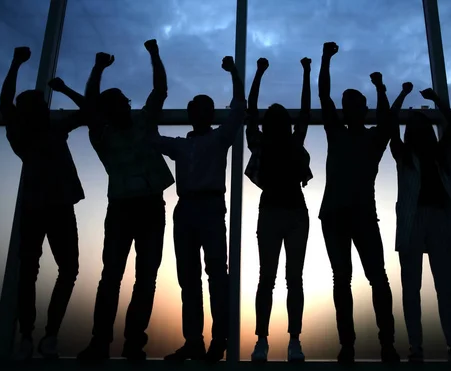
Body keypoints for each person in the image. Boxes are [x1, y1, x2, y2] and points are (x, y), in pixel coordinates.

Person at [77, 39, 174, 361]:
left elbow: (160, 90)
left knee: (144, 277)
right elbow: (90, 105)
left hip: (148, 205)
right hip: (122, 208)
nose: (123, 106)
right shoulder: (102, 134)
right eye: (116, 103)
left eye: (122, 101)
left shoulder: (143, 122)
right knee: (113, 276)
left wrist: (155, 56)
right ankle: (101, 342)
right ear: (107, 111)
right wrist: (97, 70)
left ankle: (132, 342)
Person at [154, 56, 246, 363]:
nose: (199, 114)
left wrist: (234, 72)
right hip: (189, 209)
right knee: (189, 276)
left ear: (208, 114)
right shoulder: (182, 145)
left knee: (216, 273)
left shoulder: (218, 138)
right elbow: (150, 139)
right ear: (193, 114)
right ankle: (195, 340)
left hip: (207, 208)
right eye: (196, 109)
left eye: (204, 109)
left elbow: (238, 108)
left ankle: (218, 338)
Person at [0, 47, 85, 360]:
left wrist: (16, 63)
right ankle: (43, 335)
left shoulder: (22, 131)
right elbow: (86, 111)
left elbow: (5, 102)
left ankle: (30, 336)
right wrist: (63, 89)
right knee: (63, 269)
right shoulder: (45, 130)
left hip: (41, 206)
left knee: (31, 271)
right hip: (54, 206)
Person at [318, 42, 399, 364]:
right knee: (348, 278)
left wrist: (381, 89)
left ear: (362, 110)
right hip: (338, 215)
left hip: (360, 216)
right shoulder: (339, 133)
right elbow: (324, 97)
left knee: (376, 277)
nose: (348, 108)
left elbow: (387, 121)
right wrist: (325, 60)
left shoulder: (372, 138)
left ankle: (386, 343)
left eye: (354, 104)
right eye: (347, 104)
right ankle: (349, 344)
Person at [386, 82, 451, 362]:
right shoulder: (407, 156)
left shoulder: (437, 155)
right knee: (413, 288)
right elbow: (390, 125)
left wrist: (442, 100)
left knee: (444, 287)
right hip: (416, 220)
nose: (417, 127)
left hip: (435, 220)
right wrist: (400, 95)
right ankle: (417, 347)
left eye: (420, 123)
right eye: (414, 124)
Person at [245, 57, 313, 363]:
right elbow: (251, 112)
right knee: (282, 279)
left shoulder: (269, 142)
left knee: (273, 279)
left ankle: (278, 340)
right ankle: (278, 340)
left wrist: (306, 73)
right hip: (283, 212)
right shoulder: (268, 142)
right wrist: (304, 72)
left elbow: (252, 112)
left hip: (285, 213)